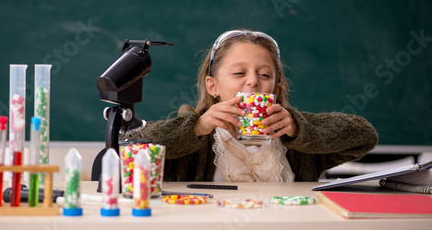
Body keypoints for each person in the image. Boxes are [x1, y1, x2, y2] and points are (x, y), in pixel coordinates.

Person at [127, 29, 378, 182]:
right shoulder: (198, 136)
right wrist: (196, 127)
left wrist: (299, 128)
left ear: (276, 89)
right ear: (213, 87)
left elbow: (364, 136)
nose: (252, 81)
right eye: (238, 73)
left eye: (265, 75)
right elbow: (130, 146)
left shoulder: (296, 139)